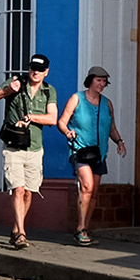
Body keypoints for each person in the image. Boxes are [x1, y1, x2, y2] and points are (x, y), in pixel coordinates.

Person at [0, 53, 58, 250]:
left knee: (28, 192)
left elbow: (52, 118)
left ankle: (16, 227)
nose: (35, 72)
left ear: (46, 72)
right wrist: (8, 90)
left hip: (35, 147)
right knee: (17, 189)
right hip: (14, 146)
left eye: (40, 70)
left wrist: (31, 117)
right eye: (33, 68)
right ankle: (21, 233)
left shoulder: (48, 91)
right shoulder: (16, 82)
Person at [58, 67, 126, 246]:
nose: (102, 84)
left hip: (99, 153)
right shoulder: (77, 99)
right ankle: (80, 228)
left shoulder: (107, 103)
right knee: (86, 185)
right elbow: (62, 122)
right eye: (99, 80)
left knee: (94, 191)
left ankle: (84, 229)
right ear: (90, 80)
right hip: (79, 150)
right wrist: (67, 132)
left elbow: (111, 128)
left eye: (104, 81)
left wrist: (119, 141)